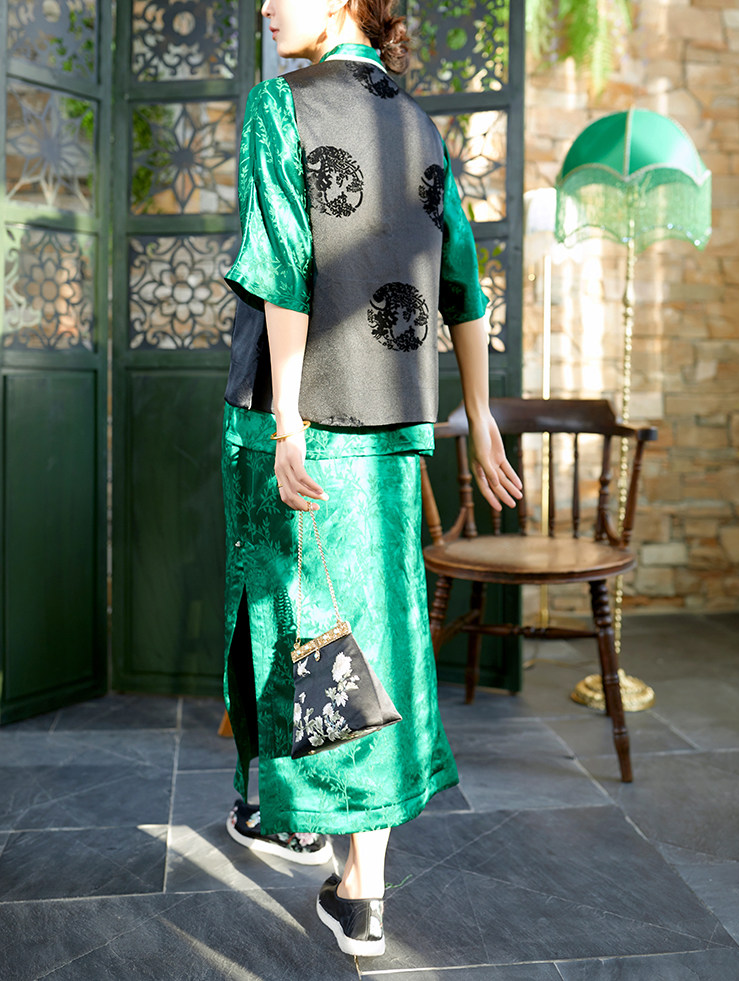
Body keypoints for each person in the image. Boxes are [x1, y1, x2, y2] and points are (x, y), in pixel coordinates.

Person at [221, 0, 523, 958]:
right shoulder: (420, 123)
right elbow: (464, 284)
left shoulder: (281, 105)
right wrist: (479, 416)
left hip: (297, 421)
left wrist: (289, 421)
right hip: (394, 428)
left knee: (299, 629)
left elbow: (283, 269)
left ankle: (306, 825)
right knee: (374, 640)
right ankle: (360, 886)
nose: (267, 5)